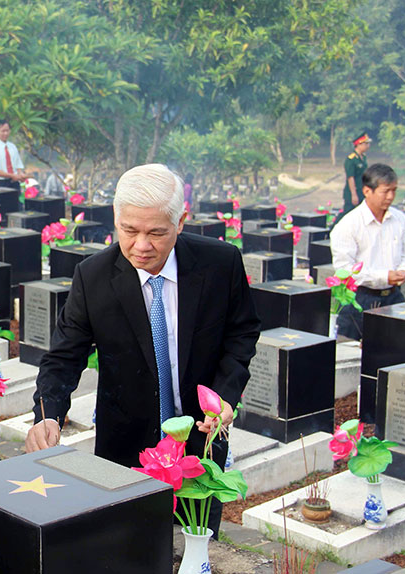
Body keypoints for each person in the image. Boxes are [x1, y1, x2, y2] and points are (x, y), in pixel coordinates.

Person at [25, 163, 260, 537]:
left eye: (156, 232)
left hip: (200, 438)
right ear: (116, 219)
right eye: (129, 230)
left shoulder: (220, 264)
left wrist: (225, 396)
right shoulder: (94, 276)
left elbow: (242, 332)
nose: (141, 246)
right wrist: (48, 414)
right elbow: (64, 355)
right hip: (125, 444)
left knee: (195, 544)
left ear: (180, 222)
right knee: (127, 546)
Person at [329, 163, 405, 340]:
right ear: (367, 191)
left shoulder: (398, 218)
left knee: (400, 350)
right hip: (360, 299)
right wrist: (384, 276)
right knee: (352, 356)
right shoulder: (348, 225)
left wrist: (404, 270)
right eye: (385, 191)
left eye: (394, 190)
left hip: (393, 297)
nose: (390, 196)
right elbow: (345, 271)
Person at [334, 133, 371, 226]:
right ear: (359, 144)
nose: (368, 146)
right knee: (348, 212)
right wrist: (354, 195)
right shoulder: (351, 159)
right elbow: (351, 177)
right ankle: (333, 228)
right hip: (352, 191)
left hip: (362, 190)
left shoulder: (363, 157)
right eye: (365, 144)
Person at [0, 119, 25, 190]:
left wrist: (21, 175)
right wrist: (12, 175)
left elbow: (18, 165)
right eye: (3, 131)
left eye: (7, 130)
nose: (6, 133)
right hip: (0, 183)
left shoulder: (13, 147)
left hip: (14, 183)